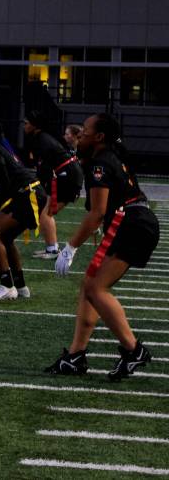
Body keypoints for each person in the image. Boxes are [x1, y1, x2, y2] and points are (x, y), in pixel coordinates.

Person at [45, 113, 159, 381]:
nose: (80, 135)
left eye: (84, 131)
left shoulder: (101, 162)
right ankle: (75, 355)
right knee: (89, 285)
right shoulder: (107, 158)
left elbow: (97, 212)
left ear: (99, 137)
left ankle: (133, 349)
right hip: (131, 221)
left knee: (96, 288)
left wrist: (70, 248)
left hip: (133, 224)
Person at [0, 116, 47, 302]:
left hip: (28, 194)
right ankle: (20, 286)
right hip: (28, 193)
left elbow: (4, 186)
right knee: (5, 237)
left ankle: (7, 285)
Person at [23, 111, 84, 260]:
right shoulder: (40, 137)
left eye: (27, 122)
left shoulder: (41, 139)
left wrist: (38, 183)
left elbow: (44, 166)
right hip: (65, 173)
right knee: (46, 211)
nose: (24, 125)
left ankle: (52, 250)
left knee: (46, 213)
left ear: (34, 125)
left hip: (67, 175)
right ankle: (51, 248)